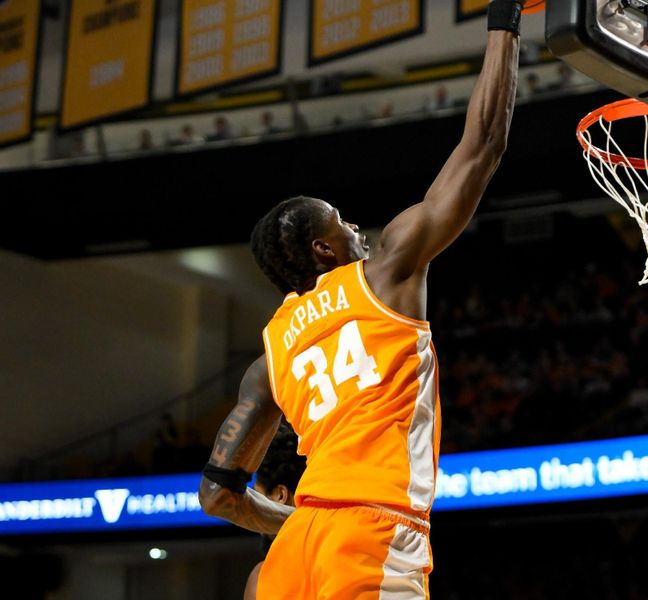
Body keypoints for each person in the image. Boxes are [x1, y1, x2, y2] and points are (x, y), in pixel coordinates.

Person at [199, 1, 523, 597]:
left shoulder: (272, 352)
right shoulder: (384, 273)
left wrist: (301, 525)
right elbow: (482, 146)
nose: (359, 232)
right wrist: (505, 20)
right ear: (324, 249)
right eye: (343, 224)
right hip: (372, 523)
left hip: (300, 544)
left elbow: (217, 493)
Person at [243, 422, 306, 600]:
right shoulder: (339, 551)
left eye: (257, 495)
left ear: (280, 495)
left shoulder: (261, 578)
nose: (253, 508)